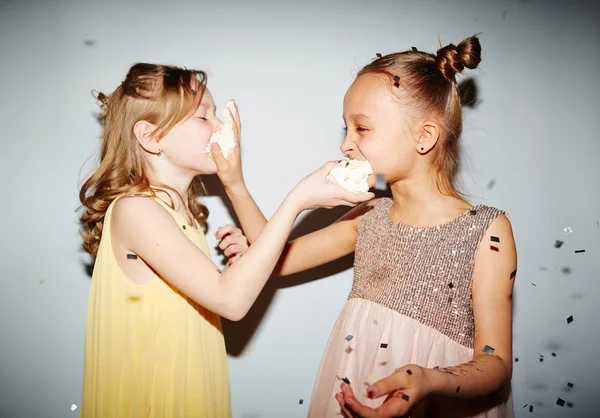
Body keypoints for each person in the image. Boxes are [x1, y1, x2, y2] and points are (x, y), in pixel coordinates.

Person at [213, 36, 516, 417]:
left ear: (424, 137)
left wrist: (428, 380)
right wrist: (234, 183)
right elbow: (279, 259)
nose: (345, 145)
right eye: (346, 129)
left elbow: (496, 364)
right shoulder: (369, 215)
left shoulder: (487, 230)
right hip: (357, 386)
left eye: (362, 128)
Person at [77, 63, 373, 417]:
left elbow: (221, 289)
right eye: (204, 118)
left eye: (216, 115)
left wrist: (248, 256)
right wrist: (297, 200)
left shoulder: (178, 213)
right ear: (151, 137)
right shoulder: (136, 210)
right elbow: (231, 301)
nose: (220, 127)